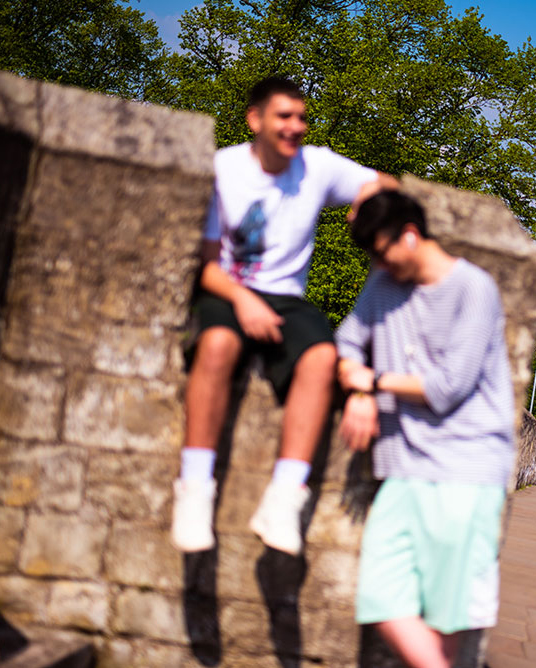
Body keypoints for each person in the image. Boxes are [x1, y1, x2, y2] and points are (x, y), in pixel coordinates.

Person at [171, 76, 397, 554]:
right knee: (218, 344)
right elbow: (205, 264)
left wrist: (366, 198)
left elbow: (387, 184)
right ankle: (194, 489)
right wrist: (243, 301)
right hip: (227, 287)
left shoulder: (316, 166)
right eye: (284, 117)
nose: (296, 126)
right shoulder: (224, 169)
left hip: (287, 298)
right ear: (255, 119)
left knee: (322, 357)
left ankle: (284, 498)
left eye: (301, 118)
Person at [336, 191, 515, 668]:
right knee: (379, 597)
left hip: (466, 469)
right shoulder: (384, 282)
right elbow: (348, 340)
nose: (378, 264)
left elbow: (448, 387)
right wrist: (358, 392)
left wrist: (374, 381)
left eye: (382, 252)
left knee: (447, 619)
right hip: (403, 467)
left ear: (410, 235)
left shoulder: (473, 289)